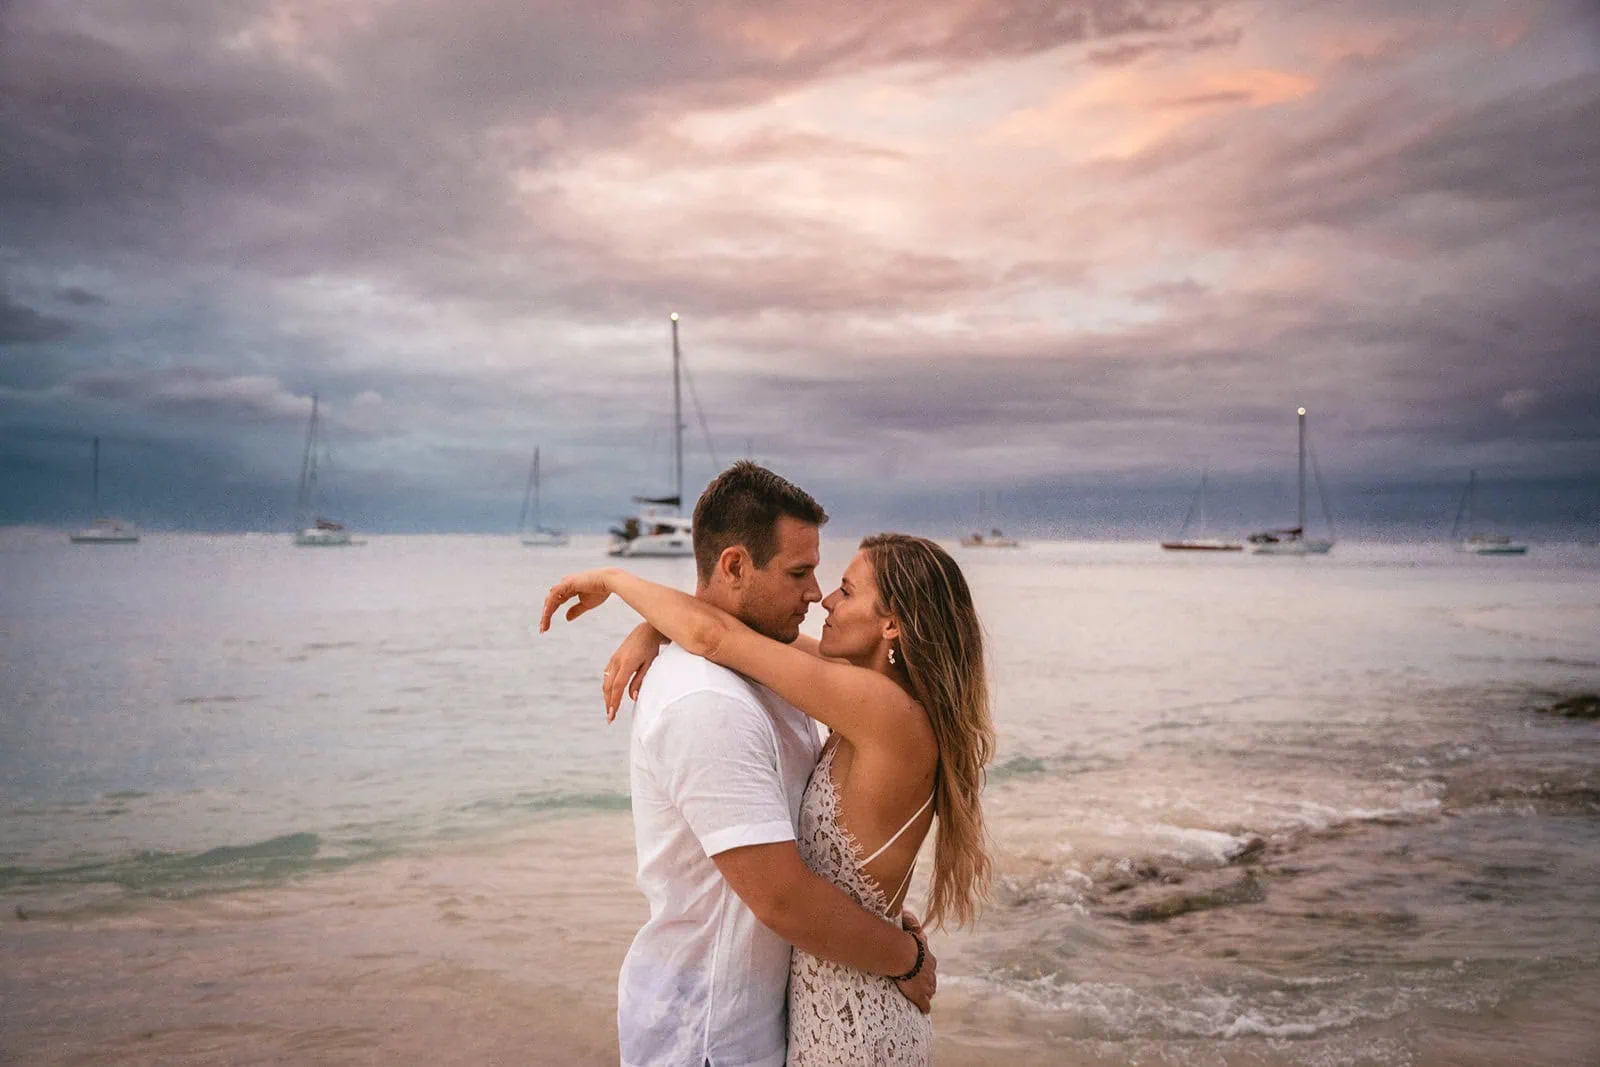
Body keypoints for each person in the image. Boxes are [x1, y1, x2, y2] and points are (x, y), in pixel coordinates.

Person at [541, 463, 995, 1066]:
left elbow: (717, 637)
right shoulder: (855, 690)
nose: (821, 596)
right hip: (829, 1007)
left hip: (849, 1021)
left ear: (892, 624)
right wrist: (654, 625)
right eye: (804, 574)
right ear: (734, 564)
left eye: (844, 590)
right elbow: (720, 632)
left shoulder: (879, 706)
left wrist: (616, 579)